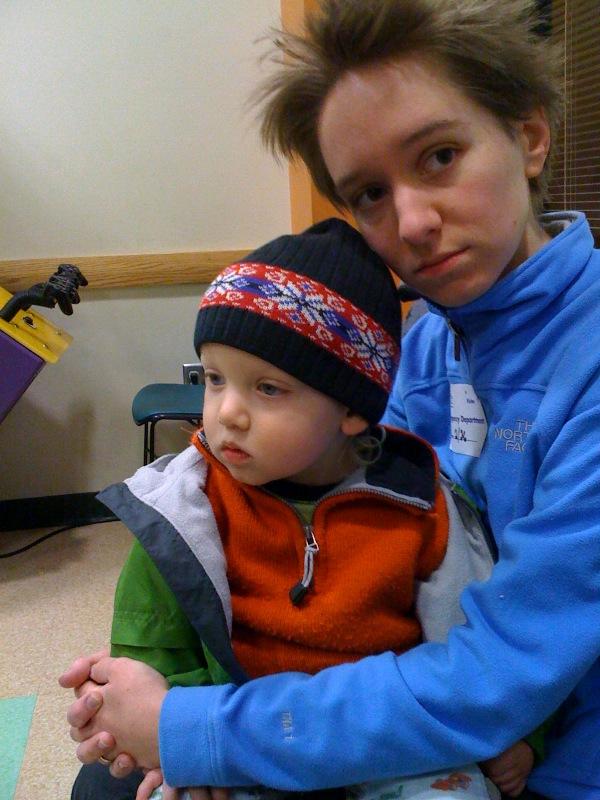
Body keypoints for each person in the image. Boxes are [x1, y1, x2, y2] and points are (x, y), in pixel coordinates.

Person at [61, 1, 600, 798]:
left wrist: (197, 730)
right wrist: (154, 692)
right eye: (370, 194)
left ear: (528, 136)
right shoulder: (424, 344)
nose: (412, 222)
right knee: (110, 784)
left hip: (549, 756)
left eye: (441, 156)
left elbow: (498, 673)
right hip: (427, 711)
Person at [70, 217, 536, 800]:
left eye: (267, 389)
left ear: (352, 410)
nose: (227, 412)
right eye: (215, 379)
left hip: (387, 741)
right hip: (235, 729)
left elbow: (481, 645)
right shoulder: (186, 504)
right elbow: (152, 646)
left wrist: (516, 733)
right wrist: (164, 729)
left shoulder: (419, 502)